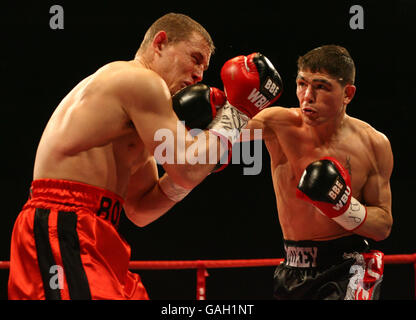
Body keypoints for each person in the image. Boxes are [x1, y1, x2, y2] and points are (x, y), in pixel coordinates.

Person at [8, 12, 282, 299]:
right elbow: (186, 168)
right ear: (160, 42)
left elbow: (140, 209)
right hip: (62, 224)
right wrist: (237, 113)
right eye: (195, 58)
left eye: (204, 66)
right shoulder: (141, 81)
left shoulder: (139, 120)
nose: (200, 74)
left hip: (95, 231)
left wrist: (201, 165)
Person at [243, 45, 393, 300]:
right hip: (291, 268)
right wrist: (235, 104)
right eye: (302, 84)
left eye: (321, 86)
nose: (307, 96)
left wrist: (345, 210)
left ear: (348, 94)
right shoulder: (278, 125)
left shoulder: (373, 144)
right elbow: (209, 143)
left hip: (350, 266)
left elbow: (382, 227)